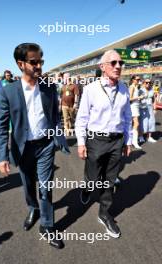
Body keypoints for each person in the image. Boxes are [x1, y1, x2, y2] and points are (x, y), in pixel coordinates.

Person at [0, 43, 69, 249]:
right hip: (22, 148)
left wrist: (58, 135)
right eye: (34, 62)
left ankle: (47, 225)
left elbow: (54, 116)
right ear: (21, 64)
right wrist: (2, 156)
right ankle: (33, 208)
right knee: (28, 185)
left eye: (41, 61)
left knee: (45, 186)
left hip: (45, 145)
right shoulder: (8, 92)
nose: (39, 66)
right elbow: (0, 126)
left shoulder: (48, 87)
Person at [75, 50, 132, 239]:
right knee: (92, 177)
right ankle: (87, 187)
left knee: (110, 179)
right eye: (113, 62)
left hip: (116, 141)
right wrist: (81, 143)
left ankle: (104, 213)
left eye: (120, 63)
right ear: (102, 67)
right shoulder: (91, 89)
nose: (118, 66)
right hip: (96, 140)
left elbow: (127, 117)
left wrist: (128, 140)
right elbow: (82, 118)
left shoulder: (124, 88)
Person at [129, 75, 143, 149]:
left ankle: (132, 140)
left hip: (136, 106)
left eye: (139, 79)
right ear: (133, 80)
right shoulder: (132, 87)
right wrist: (139, 97)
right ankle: (134, 142)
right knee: (136, 124)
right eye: (137, 79)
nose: (138, 80)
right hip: (133, 107)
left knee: (133, 124)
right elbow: (130, 98)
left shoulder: (136, 87)